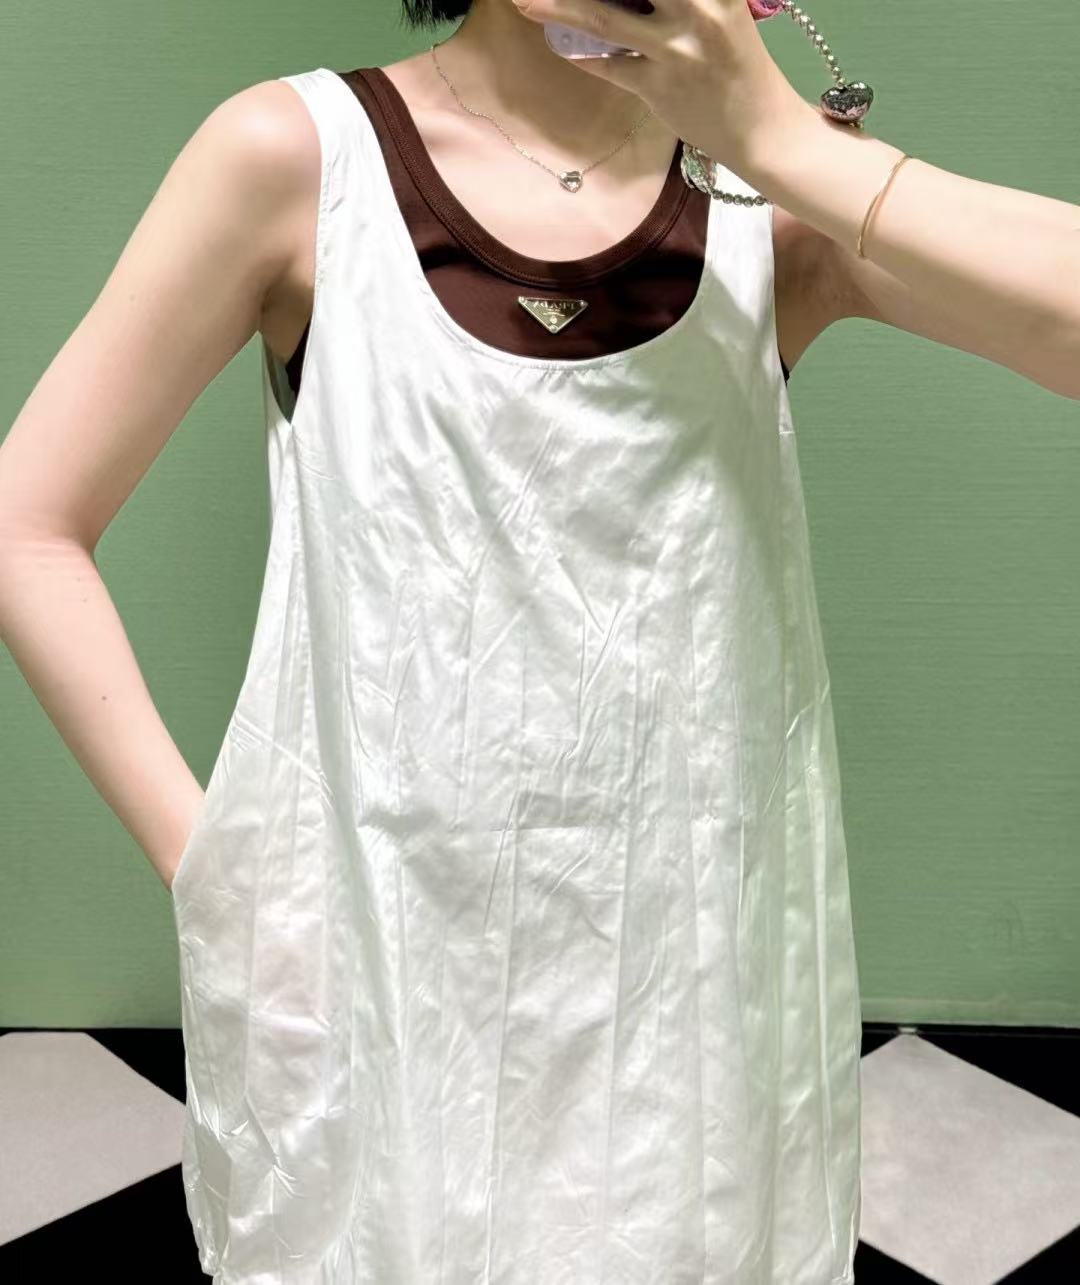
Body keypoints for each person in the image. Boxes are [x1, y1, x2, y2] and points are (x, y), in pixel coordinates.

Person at [0, 2, 1076, 1282]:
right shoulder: (298, 160)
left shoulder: (770, 202)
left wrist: (787, 144)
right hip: (377, 960)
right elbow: (29, 527)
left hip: (682, 986)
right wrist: (216, 872)